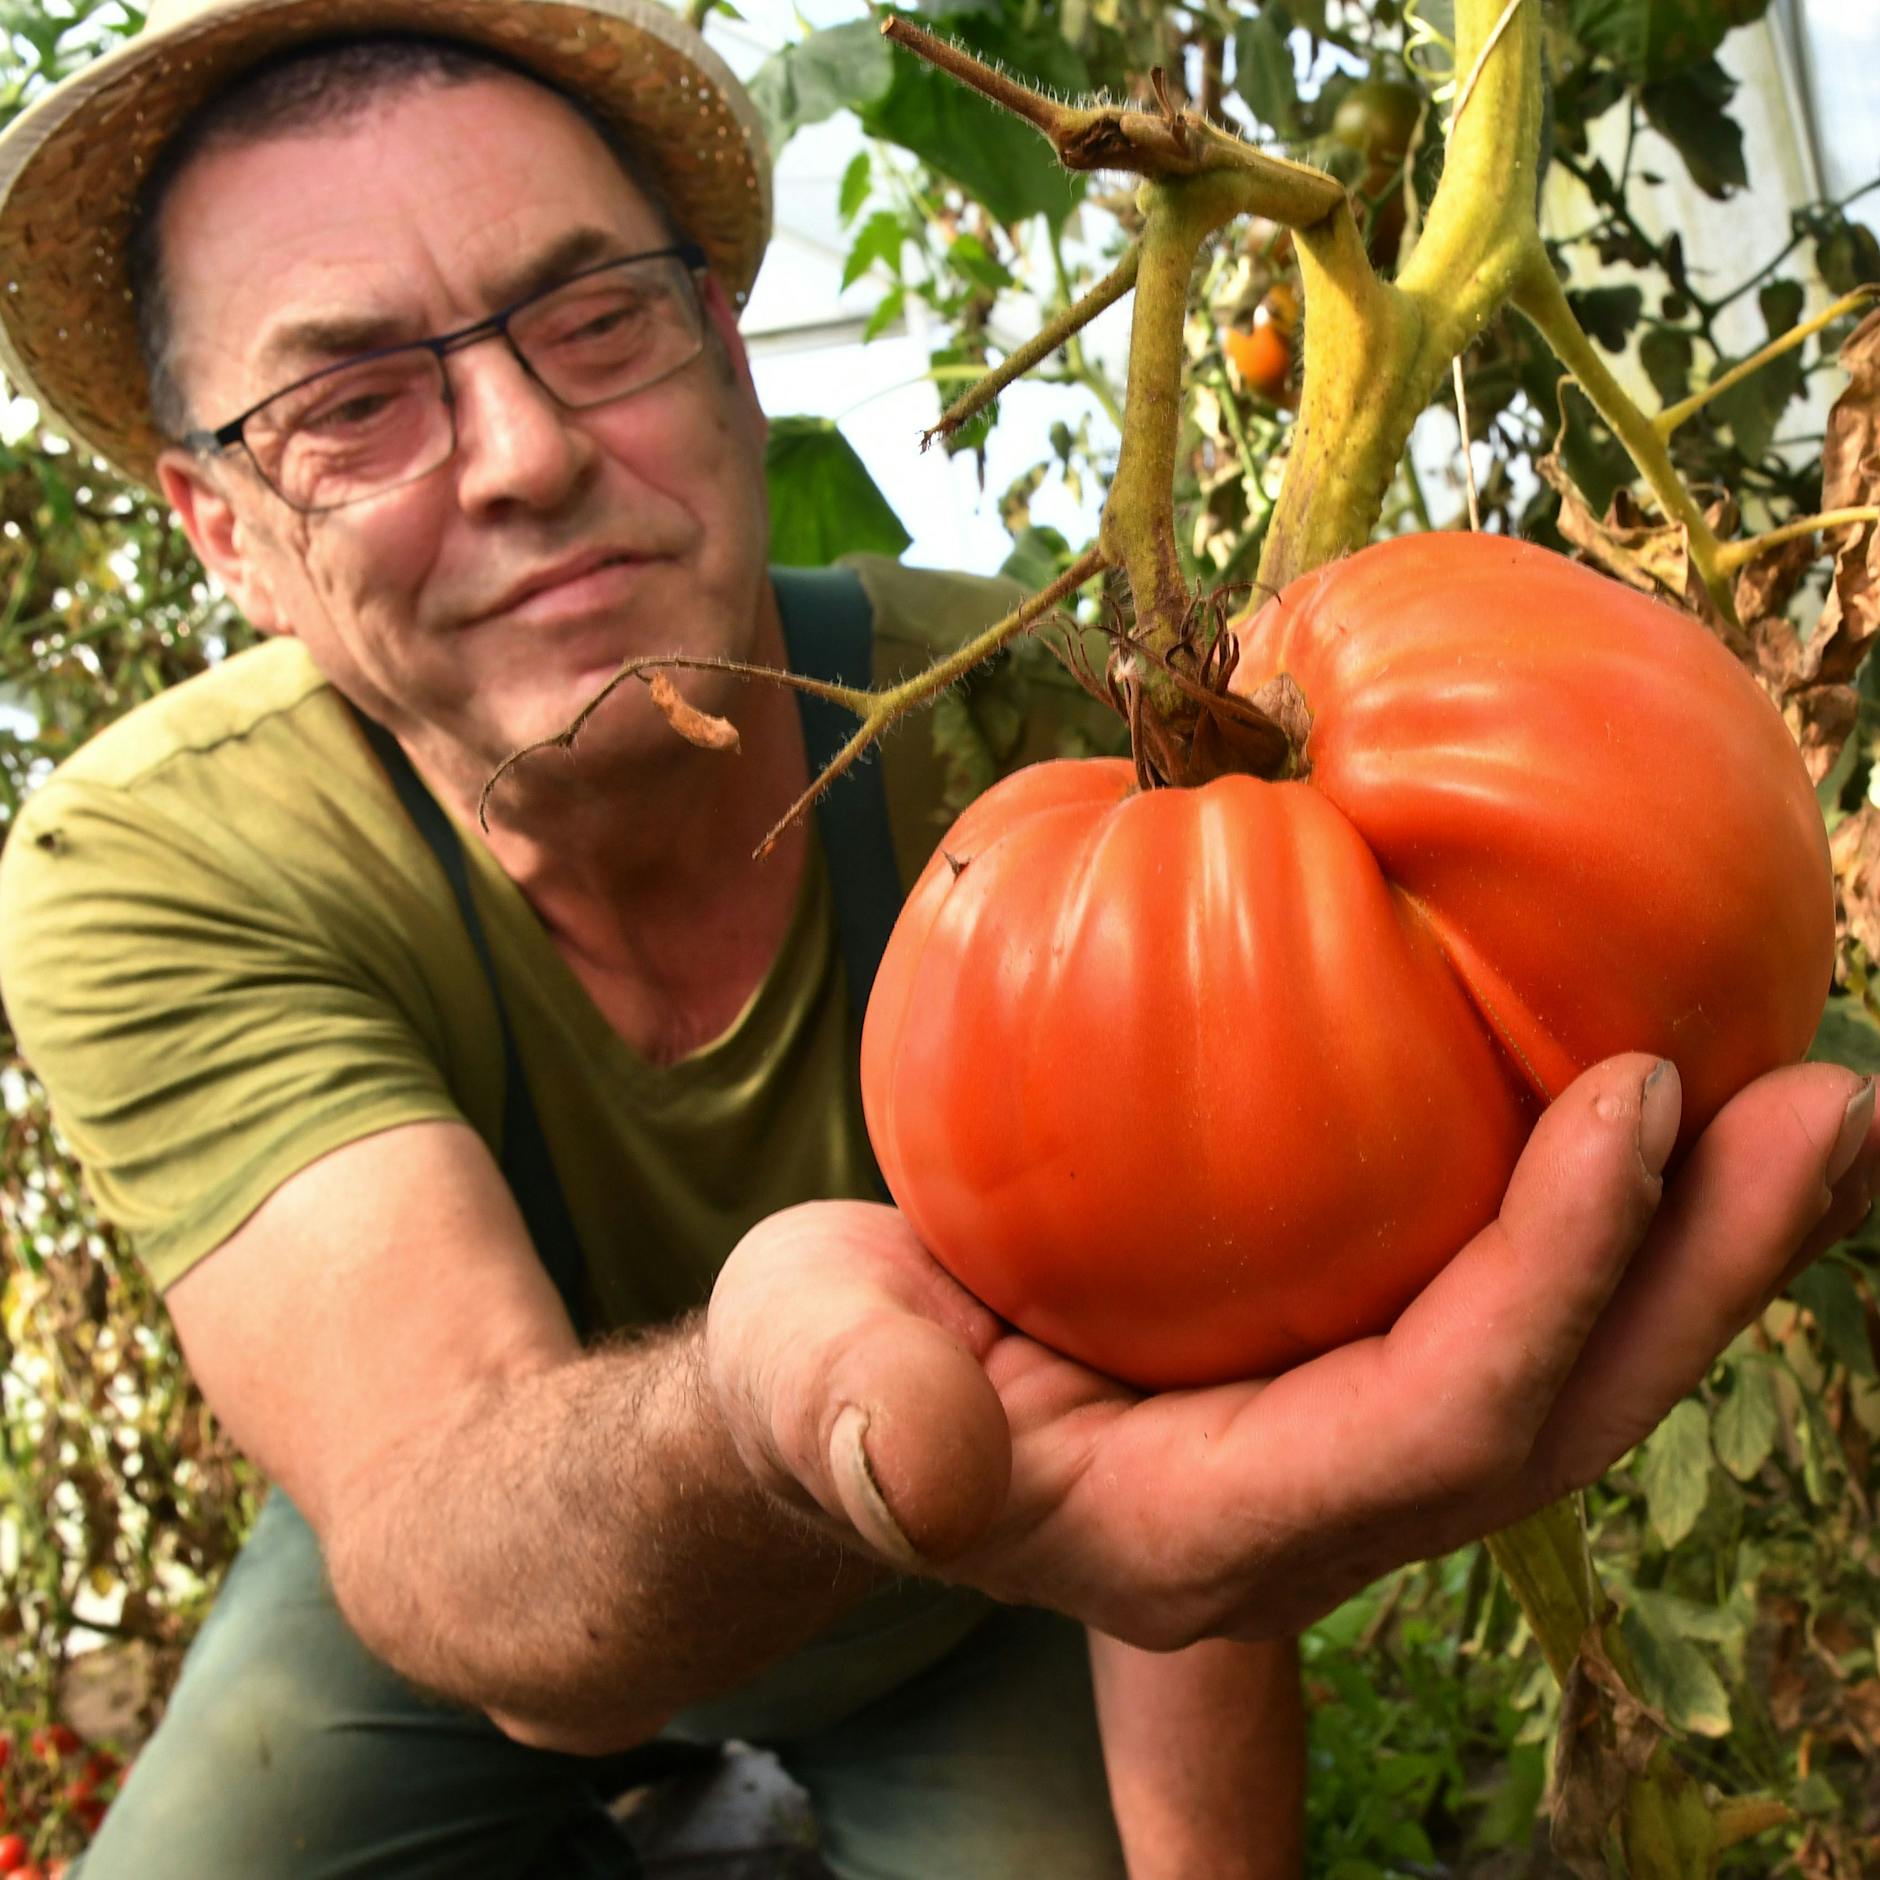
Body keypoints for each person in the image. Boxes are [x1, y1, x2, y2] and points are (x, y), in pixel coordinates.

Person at [0, 3, 1868, 1877]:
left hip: (998, 1583)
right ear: (219, 532)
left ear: (728, 353)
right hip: (460, 1614)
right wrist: (755, 1422)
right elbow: (446, 1519)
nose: (521, 454)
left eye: (594, 322)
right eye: (353, 403)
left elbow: (1208, 1386)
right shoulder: (158, 859)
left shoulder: (1043, 719)